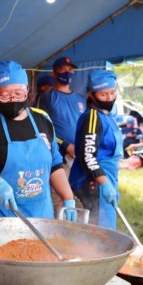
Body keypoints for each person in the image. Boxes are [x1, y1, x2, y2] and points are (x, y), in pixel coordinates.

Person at [0, 60, 76, 220]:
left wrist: (68, 197)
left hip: (40, 215)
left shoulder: (43, 119)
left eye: (18, 93)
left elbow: (55, 163)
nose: (13, 99)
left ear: (28, 91)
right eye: (5, 94)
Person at [70, 70, 123, 229]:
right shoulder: (92, 117)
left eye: (112, 93)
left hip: (107, 177)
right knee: (99, 229)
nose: (109, 98)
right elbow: (87, 156)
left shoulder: (108, 115)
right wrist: (104, 183)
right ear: (92, 95)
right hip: (94, 181)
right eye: (103, 95)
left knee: (106, 227)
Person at [37, 56, 86, 215]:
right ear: (54, 73)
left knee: (79, 194)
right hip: (59, 156)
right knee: (58, 196)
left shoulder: (79, 99)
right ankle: (56, 229)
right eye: (62, 70)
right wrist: (65, 145)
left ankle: (77, 230)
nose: (67, 73)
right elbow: (41, 127)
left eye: (70, 70)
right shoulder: (48, 97)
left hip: (78, 155)